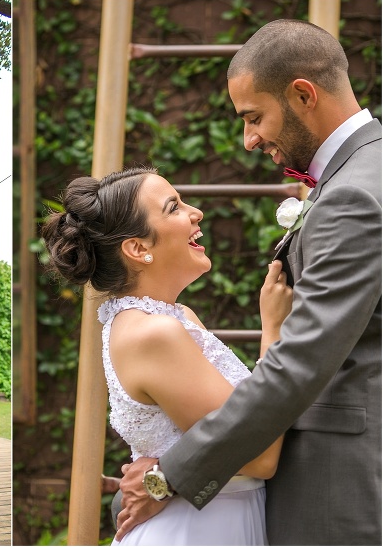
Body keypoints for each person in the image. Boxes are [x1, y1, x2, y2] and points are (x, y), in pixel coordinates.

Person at [115, 19, 382, 546]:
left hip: (336, 487)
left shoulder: (352, 197)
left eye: (255, 117)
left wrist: (168, 475)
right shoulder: (361, 175)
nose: (249, 139)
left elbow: (300, 364)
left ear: (303, 94)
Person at [41, 167, 293, 544]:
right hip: (197, 529)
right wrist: (273, 330)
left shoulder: (173, 317)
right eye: (173, 207)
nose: (196, 213)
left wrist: (161, 477)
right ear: (139, 249)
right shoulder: (153, 333)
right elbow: (258, 457)